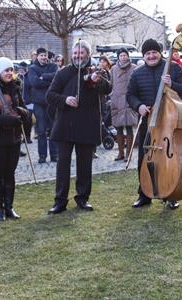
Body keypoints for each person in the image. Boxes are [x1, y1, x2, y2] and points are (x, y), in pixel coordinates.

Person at [45, 40, 111, 214]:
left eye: (81, 53)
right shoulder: (63, 73)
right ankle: (60, 201)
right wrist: (65, 100)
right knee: (63, 164)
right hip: (65, 124)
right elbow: (50, 95)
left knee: (84, 165)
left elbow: (108, 88)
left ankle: (82, 198)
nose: (77, 56)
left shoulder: (97, 71)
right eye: (75, 53)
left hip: (87, 123)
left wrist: (97, 81)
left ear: (88, 55)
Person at [127, 38, 182, 210]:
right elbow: (130, 95)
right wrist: (138, 106)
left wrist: (173, 84)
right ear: (144, 56)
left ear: (160, 53)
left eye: (154, 52)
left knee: (169, 162)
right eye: (147, 53)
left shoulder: (173, 68)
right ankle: (144, 194)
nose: (151, 55)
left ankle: (170, 195)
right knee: (143, 159)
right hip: (149, 125)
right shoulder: (137, 73)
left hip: (170, 124)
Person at [0, 57, 30, 221]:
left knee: (10, 173)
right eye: (6, 70)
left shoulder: (15, 88)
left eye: (11, 70)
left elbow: (22, 106)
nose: (9, 73)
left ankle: (9, 207)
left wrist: (22, 113)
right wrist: (8, 120)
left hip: (14, 138)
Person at [28, 47, 58, 163]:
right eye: (41, 55)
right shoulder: (32, 68)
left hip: (51, 103)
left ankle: (54, 154)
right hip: (39, 103)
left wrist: (43, 77)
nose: (44, 57)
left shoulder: (53, 66)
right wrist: (48, 79)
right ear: (38, 56)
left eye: (45, 55)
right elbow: (34, 83)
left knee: (53, 130)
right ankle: (42, 155)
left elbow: (56, 78)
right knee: (41, 131)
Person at [109, 48, 137, 161]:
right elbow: (111, 84)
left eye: (125, 55)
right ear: (118, 57)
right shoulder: (113, 69)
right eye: (121, 55)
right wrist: (112, 95)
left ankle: (128, 154)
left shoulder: (134, 68)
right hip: (117, 100)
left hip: (129, 100)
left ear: (128, 56)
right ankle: (120, 153)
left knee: (129, 127)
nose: (123, 57)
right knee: (118, 128)